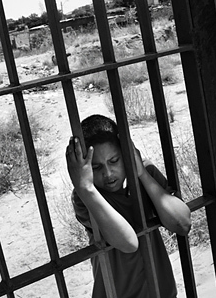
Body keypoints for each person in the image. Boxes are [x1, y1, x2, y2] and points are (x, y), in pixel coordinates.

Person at [66, 114, 191, 298]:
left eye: (114, 161)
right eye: (96, 167)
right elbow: (128, 243)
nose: (108, 174)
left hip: (161, 292)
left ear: (126, 153)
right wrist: (86, 188)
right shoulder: (85, 196)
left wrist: (141, 173)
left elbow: (182, 224)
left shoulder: (145, 175)